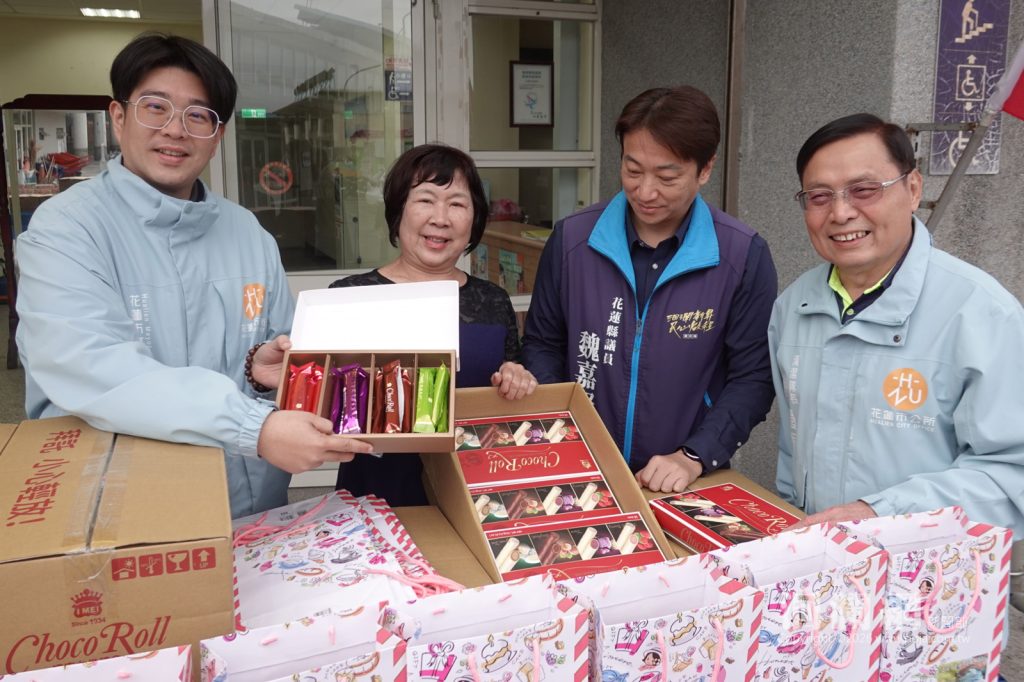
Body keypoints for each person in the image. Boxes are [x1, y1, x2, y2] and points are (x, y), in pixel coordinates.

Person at [15, 33, 371, 519]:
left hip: (255, 509)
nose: (175, 130)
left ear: (217, 135)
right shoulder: (66, 229)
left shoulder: (247, 232)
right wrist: (254, 427)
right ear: (118, 117)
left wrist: (257, 369)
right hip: (128, 517)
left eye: (198, 115)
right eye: (155, 107)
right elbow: (92, 366)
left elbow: (280, 349)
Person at [771, 113, 1024, 539]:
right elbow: (792, 451)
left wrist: (879, 514)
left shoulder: (981, 313)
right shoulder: (794, 306)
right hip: (818, 560)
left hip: (930, 569)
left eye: (864, 190)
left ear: (913, 188)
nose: (841, 212)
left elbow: (1012, 474)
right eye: (819, 196)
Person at [522, 85, 777, 493]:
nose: (645, 192)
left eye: (667, 176)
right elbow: (542, 344)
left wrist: (695, 455)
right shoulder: (573, 240)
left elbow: (753, 377)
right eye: (632, 170)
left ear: (705, 169)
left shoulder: (741, 255)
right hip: (577, 468)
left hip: (683, 479)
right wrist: (562, 430)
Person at [330, 143, 537, 505]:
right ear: (399, 210)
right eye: (425, 200)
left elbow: (510, 382)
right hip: (374, 493)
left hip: (473, 493)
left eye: (457, 204)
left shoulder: (492, 301)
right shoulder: (350, 296)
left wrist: (516, 378)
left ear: (474, 219)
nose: (440, 218)